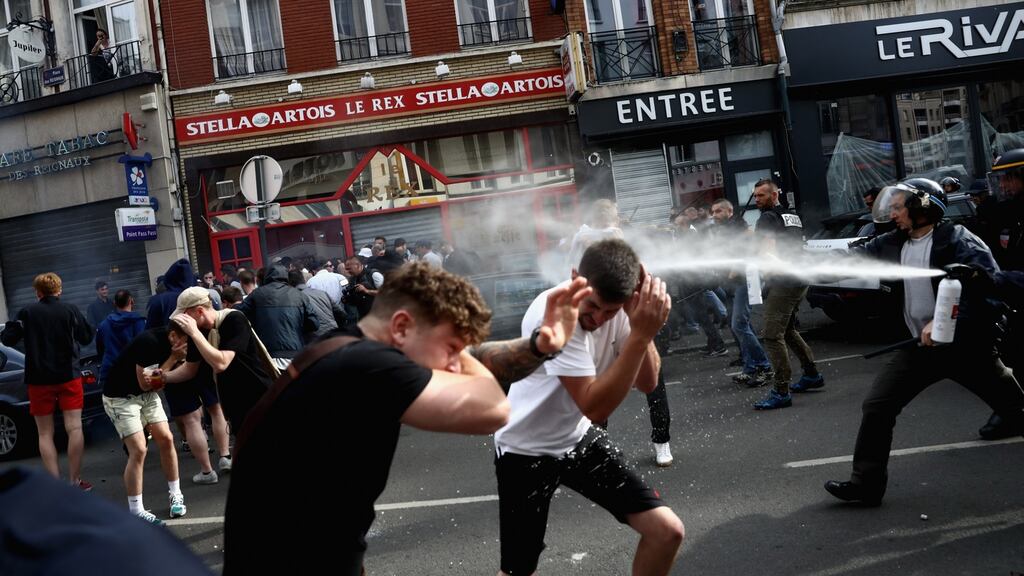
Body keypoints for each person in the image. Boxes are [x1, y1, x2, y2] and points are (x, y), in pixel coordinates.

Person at [222, 263, 592, 575]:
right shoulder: (368, 366)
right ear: (400, 327)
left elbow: (479, 361)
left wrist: (540, 345)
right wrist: (465, 357)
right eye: (451, 348)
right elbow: (493, 409)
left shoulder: (343, 347)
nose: (454, 364)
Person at [824, 178, 1024, 505]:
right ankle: (867, 484)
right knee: (878, 405)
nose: (892, 212)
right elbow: (856, 257)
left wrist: (946, 322)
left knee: (1015, 409)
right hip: (919, 347)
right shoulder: (893, 241)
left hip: (967, 349)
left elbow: (989, 293)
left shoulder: (960, 242)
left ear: (923, 208)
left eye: (899, 206)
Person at [493, 239, 684, 576]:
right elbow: (595, 406)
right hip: (524, 450)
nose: (598, 318)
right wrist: (640, 336)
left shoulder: (620, 308)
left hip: (576, 438)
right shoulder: (553, 313)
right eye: (593, 306)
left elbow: (647, 383)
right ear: (574, 278)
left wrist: (643, 330)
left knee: (667, 532)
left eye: (610, 311)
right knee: (518, 571)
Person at [1, 273, 94, 489]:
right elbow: (87, 337)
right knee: (74, 428)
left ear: (38, 292)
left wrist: (16, 325)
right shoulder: (70, 310)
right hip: (68, 376)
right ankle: (74, 480)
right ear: (59, 290)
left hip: (39, 379)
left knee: (44, 433)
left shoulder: (27, 312)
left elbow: (7, 339)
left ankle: (55, 486)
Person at [102, 322, 198, 524]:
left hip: (146, 396)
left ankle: (175, 494)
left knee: (166, 438)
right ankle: (136, 510)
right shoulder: (149, 342)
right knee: (138, 449)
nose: (188, 345)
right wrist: (173, 359)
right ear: (173, 337)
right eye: (186, 340)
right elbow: (145, 384)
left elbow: (156, 385)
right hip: (121, 397)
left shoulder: (177, 345)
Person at [750, 178, 823, 410]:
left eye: (761, 196)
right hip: (799, 278)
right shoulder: (791, 215)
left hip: (784, 281)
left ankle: (781, 391)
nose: (757, 200)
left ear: (774, 195)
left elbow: (768, 249)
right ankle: (811, 374)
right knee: (788, 329)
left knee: (772, 335)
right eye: (756, 196)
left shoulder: (766, 218)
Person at [164, 288, 274, 434]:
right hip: (234, 402)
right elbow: (190, 368)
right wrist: (164, 376)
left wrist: (195, 334)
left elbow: (221, 363)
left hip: (258, 395)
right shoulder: (199, 331)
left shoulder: (234, 319)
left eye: (185, 315)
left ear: (200, 311)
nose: (183, 320)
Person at [709, 199, 773, 387]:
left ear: (730, 211)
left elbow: (752, 253)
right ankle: (750, 367)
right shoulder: (723, 231)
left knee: (738, 324)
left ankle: (765, 367)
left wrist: (734, 270)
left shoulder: (742, 230)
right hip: (730, 284)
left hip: (745, 281)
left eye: (718, 211)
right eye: (712, 212)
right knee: (741, 324)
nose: (714, 215)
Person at [234, 264, 318, 369]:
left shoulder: (258, 294)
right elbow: (314, 324)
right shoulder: (298, 295)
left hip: (267, 355)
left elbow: (237, 313)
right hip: (295, 353)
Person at [96, 289, 146, 386]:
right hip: (134, 374)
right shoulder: (139, 322)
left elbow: (100, 350)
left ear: (114, 303)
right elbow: (144, 349)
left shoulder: (103, 325)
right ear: (132, 301)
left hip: (110, 374)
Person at [343, 255, 384, 320]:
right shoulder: (352, 279)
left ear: (358, 265)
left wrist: (366, 291)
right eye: (346, 269)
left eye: (349, 269)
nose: (347, 271)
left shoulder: (373, 275)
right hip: (363, 316)